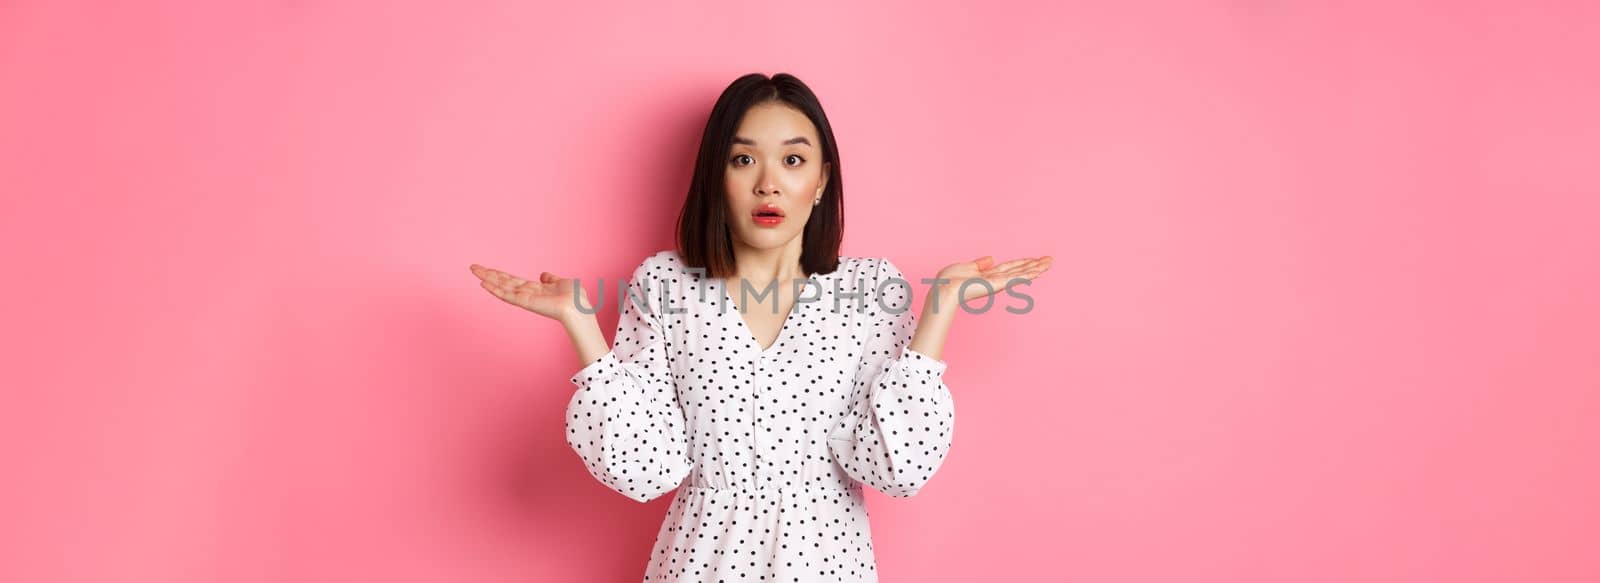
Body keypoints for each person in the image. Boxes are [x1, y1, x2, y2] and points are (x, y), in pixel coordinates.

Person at [470, 72, 1052, 582]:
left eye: (793, 160)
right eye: (743, 159)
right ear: (716, 176)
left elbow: (898, 467)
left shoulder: (870, 291)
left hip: (828, 564)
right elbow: (645, 466)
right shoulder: (666, 284)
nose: (768, 183)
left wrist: (942, 308)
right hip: (701, 563)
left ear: (822, 181)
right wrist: (580, 325)